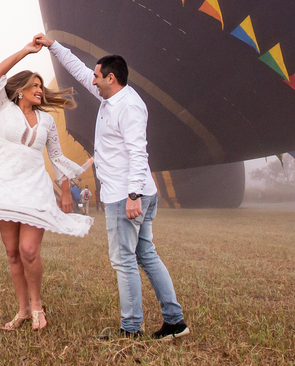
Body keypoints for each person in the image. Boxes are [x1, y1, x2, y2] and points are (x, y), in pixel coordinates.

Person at [36, 34, 189, 341]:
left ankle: (130, 328)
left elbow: (138, 152)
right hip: (134, 192)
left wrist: (133, 195)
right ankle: (175, 321)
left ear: (110, 78)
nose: (91, 81)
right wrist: (53, 46)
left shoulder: (128, 107)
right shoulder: (111, 98)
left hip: (127, 195)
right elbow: (79, 71)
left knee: (124, 259)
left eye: (97, 77)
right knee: (145, 254)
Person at [0, 39, 93, 332]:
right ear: (20, 91)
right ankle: (22, 310)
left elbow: (56, 156)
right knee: (13, 252)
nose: (40, 90)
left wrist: (66, 189)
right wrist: (26, 52)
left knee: (29, 250)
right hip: (3, 186)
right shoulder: (4, 108)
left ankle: (37, 307)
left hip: (33, 187)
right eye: (34, 86)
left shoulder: (46, 121)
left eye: (41, 86)